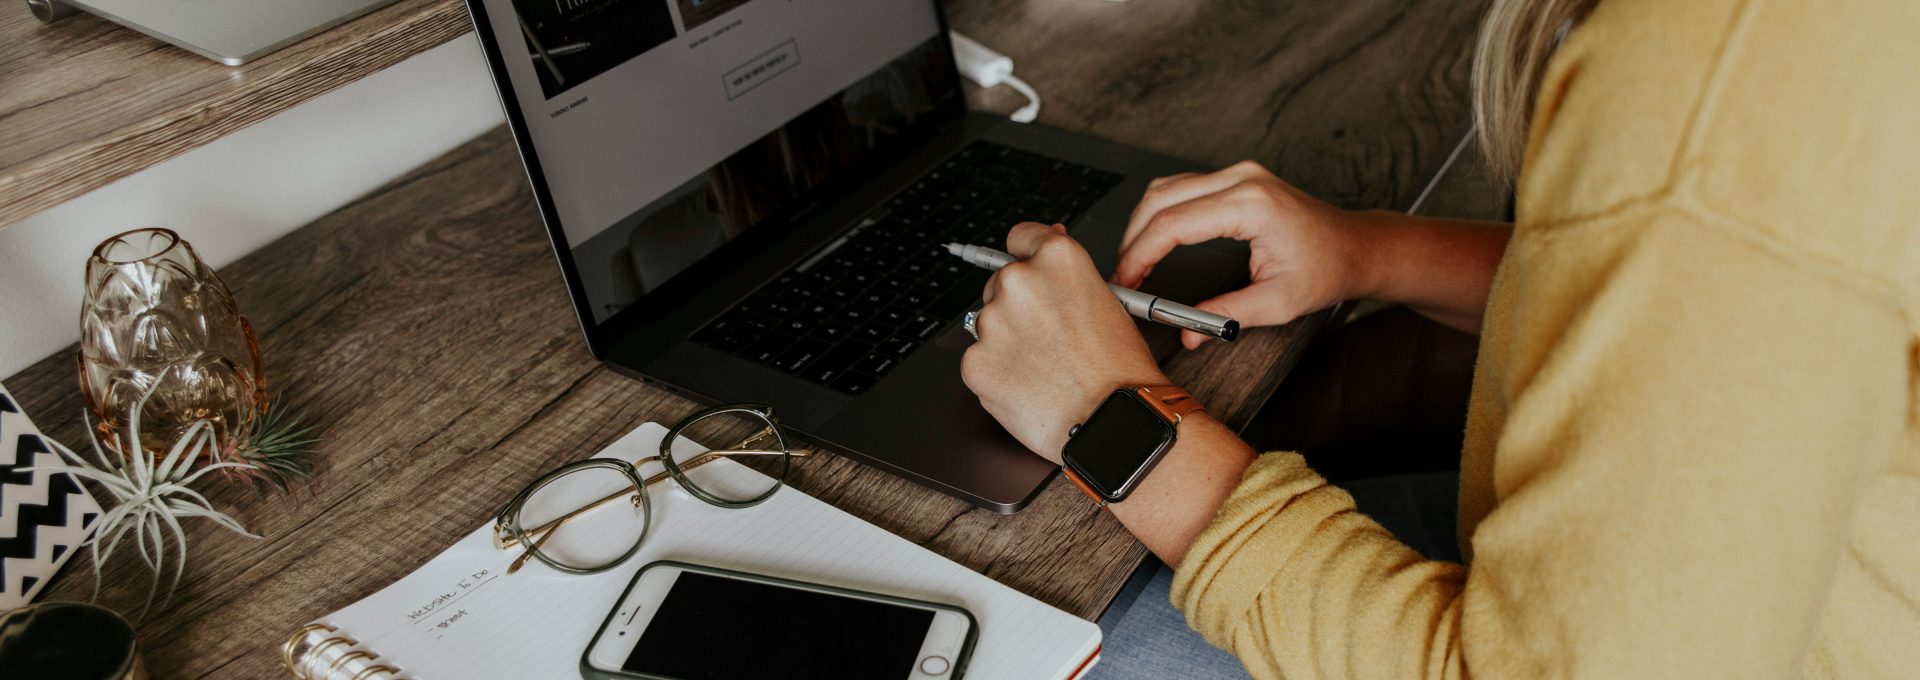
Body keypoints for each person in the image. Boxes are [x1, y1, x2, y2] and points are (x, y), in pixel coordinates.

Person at [958, 0, 1920, 677]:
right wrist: (1369, 248)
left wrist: (1107, 413)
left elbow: (1704, 231)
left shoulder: (1719, 80)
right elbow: (1722, 306)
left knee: (1007, 636)